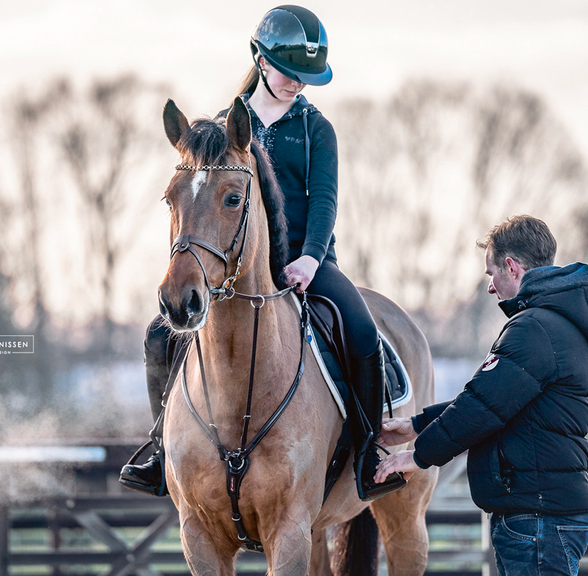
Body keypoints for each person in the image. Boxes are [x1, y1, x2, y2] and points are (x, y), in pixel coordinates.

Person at [120, 4, 406, 502]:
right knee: (156, 336)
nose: (299, 83)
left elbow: (325, 201)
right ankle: (161, 450)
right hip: (235, 267)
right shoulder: (224, 128)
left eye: (307, 76)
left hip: (306, 262)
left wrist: (311, 259)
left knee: (361, 330)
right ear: (260, 59)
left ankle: (367, 454)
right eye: (291, 72)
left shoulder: (317, 129)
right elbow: (201, 200)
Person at [375, 215, 588, 575]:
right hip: (543, 513)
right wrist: (414, 424)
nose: (490, 287)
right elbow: (495, 400)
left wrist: (419, 456)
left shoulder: (534, 329)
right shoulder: (557, 324)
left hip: (536, 517)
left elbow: (482, 407)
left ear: (511, 266)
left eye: (491, 275)